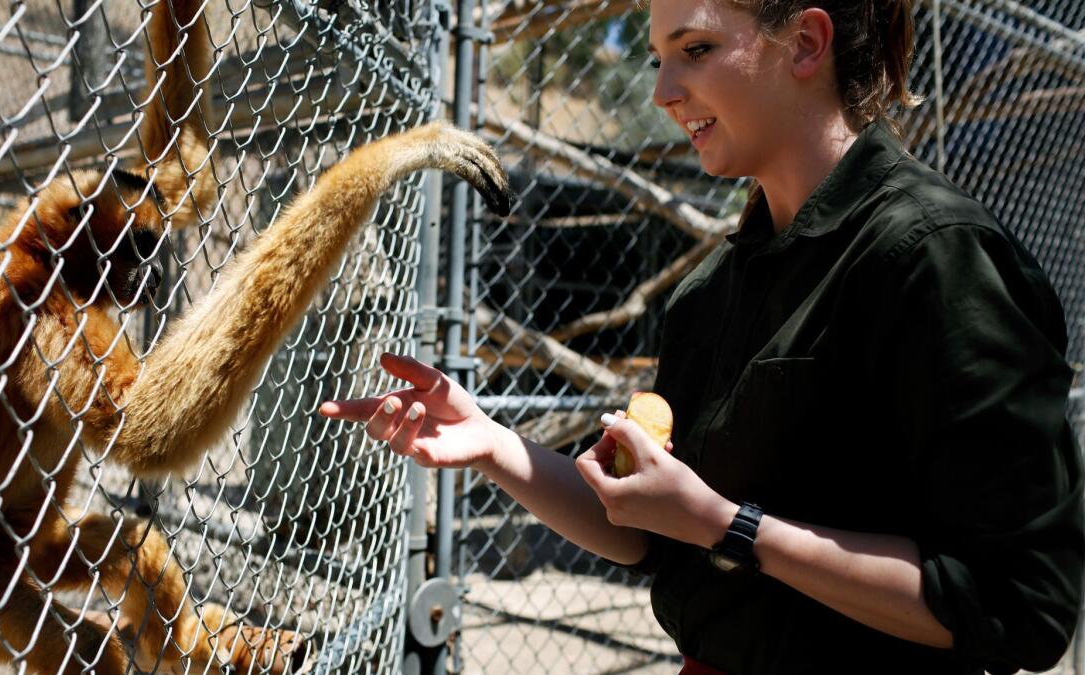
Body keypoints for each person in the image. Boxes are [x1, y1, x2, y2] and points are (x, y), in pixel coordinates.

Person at [320, 0, 1085, 672]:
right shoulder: (712, 290)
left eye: (695, 50)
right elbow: (646, 530)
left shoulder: (933, 255)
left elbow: (1022, 604)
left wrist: (729, 525)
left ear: (807, 44)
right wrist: (491, 441)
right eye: (657, 58)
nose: (660, 92)